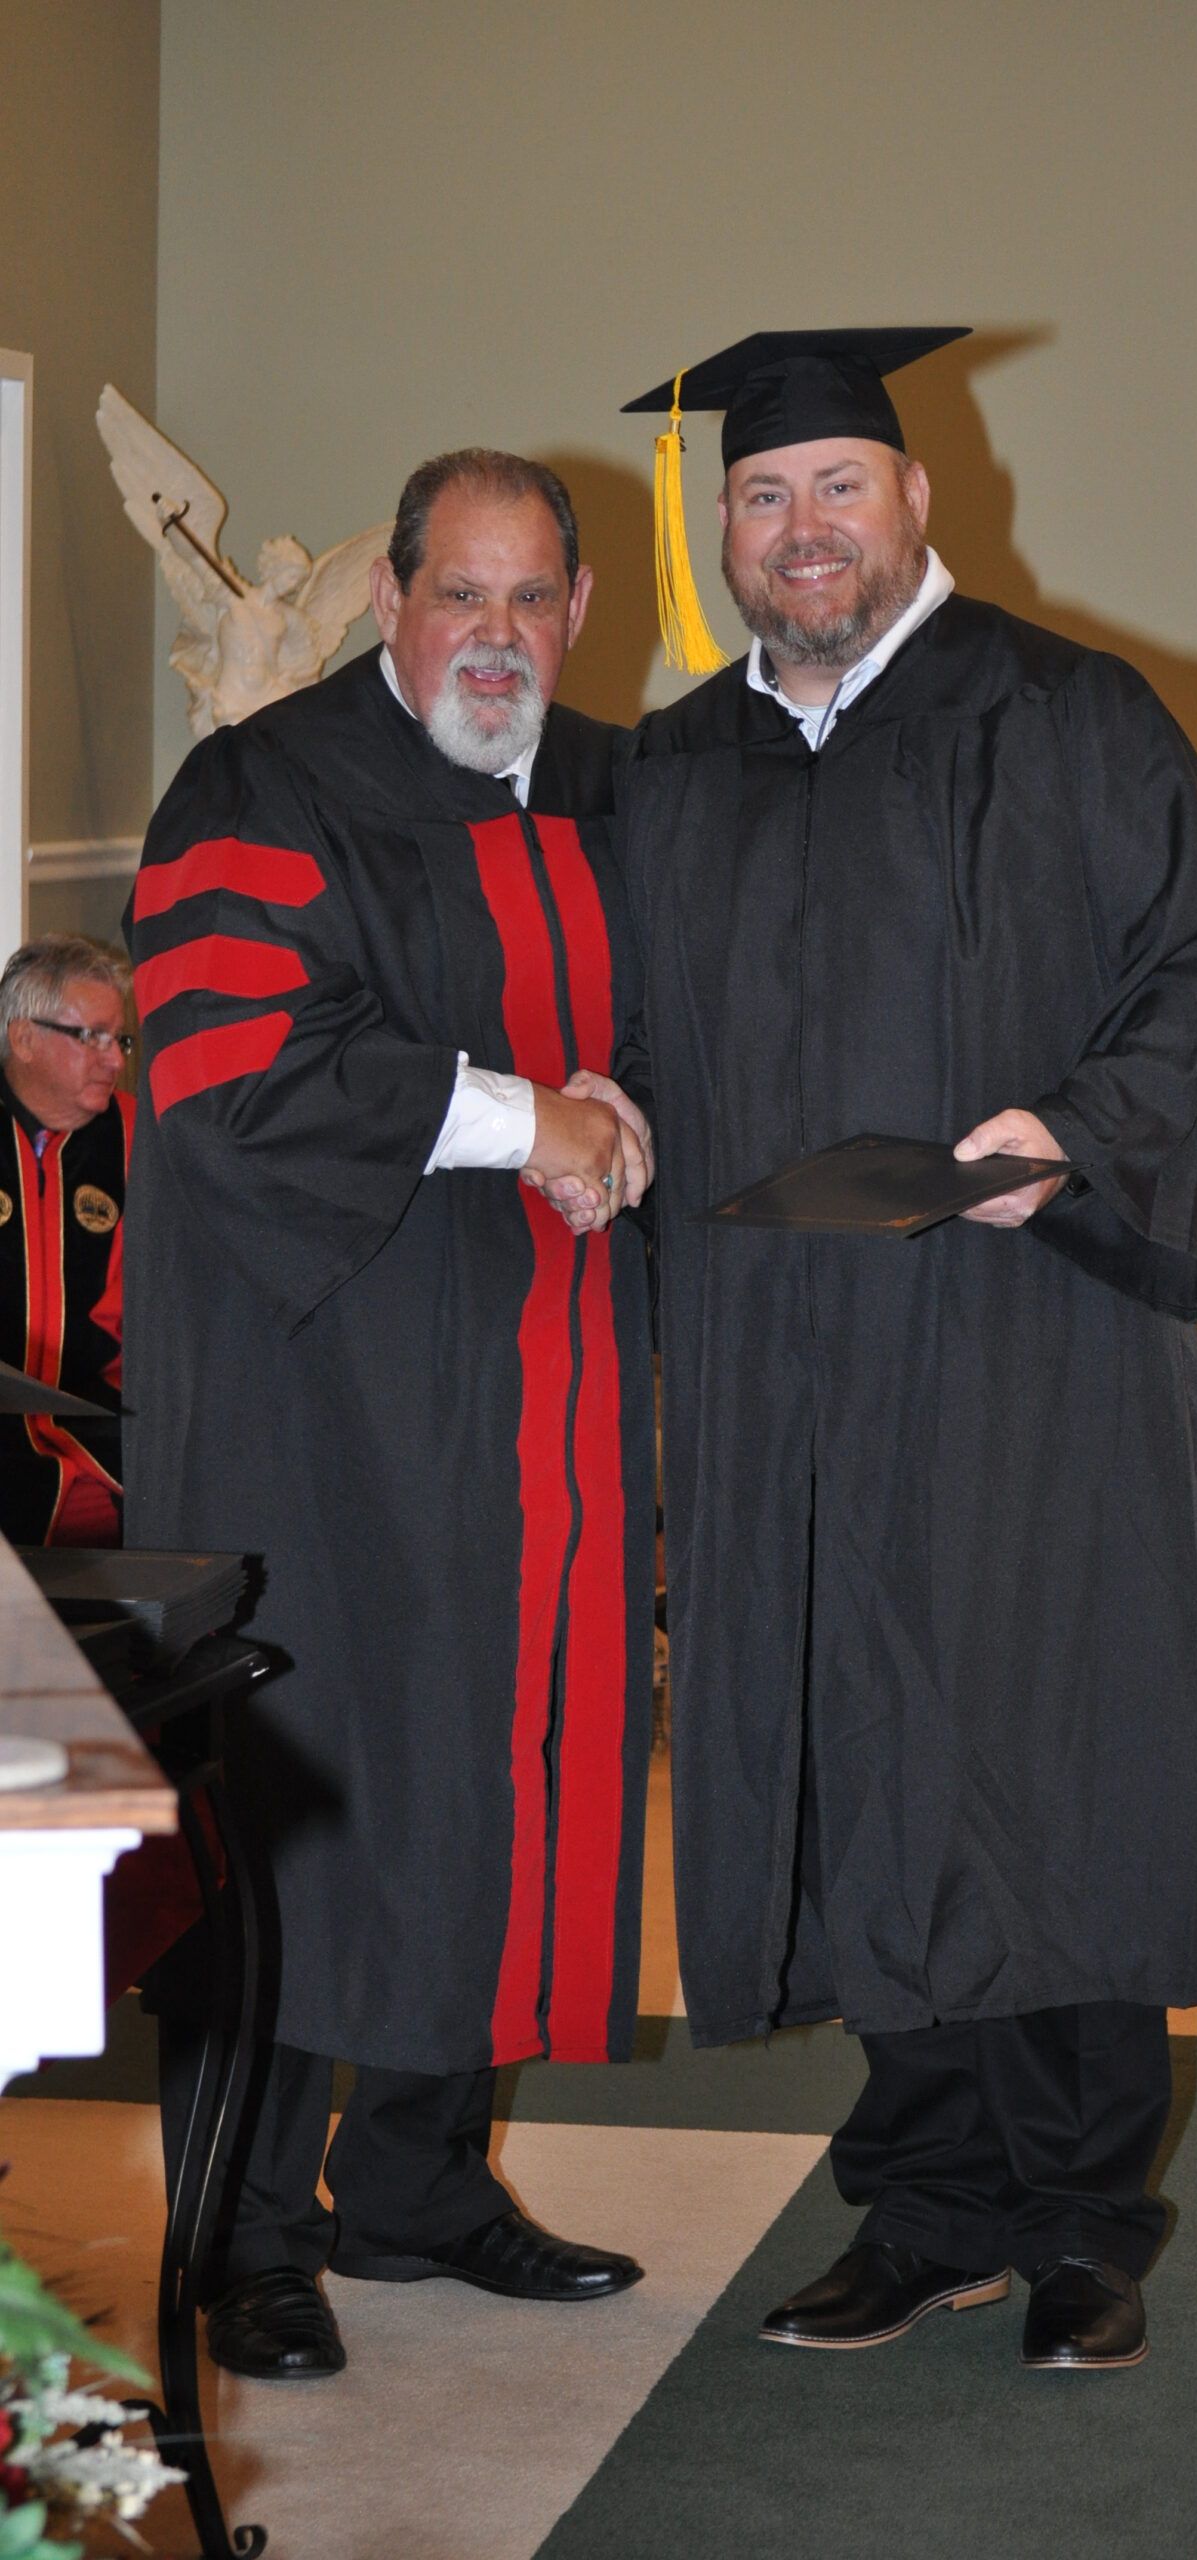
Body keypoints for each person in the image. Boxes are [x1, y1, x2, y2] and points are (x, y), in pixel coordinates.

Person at [608, 329, 1197, 2371]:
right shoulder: (671, 765)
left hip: (1020, 1335)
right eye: (761, 496)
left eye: (836, 486)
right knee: (851, 1769)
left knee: (1046, 1768)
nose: (799, 528)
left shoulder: (1068, 714)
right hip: (781, 1354)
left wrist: (1069, 1135)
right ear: (723, 529)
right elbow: (619, 1030)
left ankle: (1085, 2214)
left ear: (917, 502)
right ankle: (922, 2199)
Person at [124, 449, 657, 2383]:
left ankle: (427, 2182)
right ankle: (247, 2229)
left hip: (548, 1392)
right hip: (318, 1394)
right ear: (389, 600)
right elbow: (233, 1058)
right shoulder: (262, 788)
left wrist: (628, 1099)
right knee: (311, 1787)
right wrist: (534, 1117)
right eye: (460, 597)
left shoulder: (619, 788)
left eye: (531, 602)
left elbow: (669, 1020)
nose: (494, 640)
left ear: (579, 611)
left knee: (497, 1768)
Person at [0, 936, 133, 1545]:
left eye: (120, 1040)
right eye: (93, 1038)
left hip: (107, 1445)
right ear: (24, 1039)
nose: (115, 1061)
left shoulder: (141, 1140)